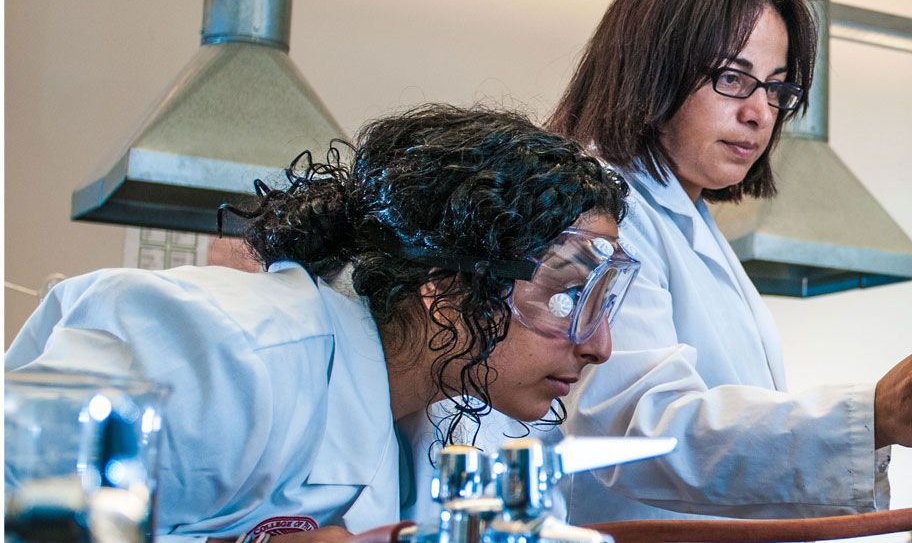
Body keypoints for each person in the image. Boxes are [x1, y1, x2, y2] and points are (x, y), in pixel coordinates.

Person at [5, 105, 633, 543]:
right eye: (566, 294)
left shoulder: (460, 408)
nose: (599, 344)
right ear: (444, 290)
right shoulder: (221, 353)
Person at [544, 0, 912, 521]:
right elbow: (639, 430)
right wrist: (870, 413)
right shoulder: (603, 210)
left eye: (776, 88)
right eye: (732, 79)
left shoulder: (688, 219)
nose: (760, 113)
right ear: (651, 67)